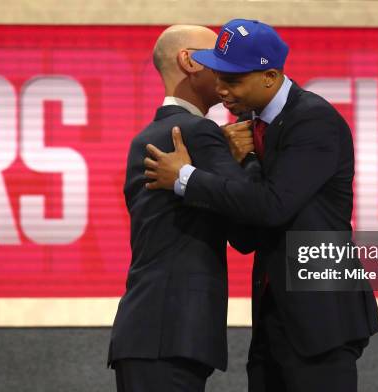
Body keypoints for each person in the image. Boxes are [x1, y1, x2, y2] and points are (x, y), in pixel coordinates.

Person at [143, 19, 378, 392]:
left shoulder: (314, 120)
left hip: (323, 318)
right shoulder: (245, 126)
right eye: (219, 76)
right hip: (273, 319)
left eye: (233, 81)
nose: (221, 89)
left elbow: (273, 206)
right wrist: (231, 162)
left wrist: (187, 177)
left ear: (270, 76)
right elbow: (245, 236)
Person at [107, 24, 257, 392]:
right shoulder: (197, 133)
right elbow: (249, 220)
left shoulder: (144, 137)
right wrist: (248, 158)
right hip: (172, 332)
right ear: (188, 61)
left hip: (146, 329)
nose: (225, 69)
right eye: (217, 58)